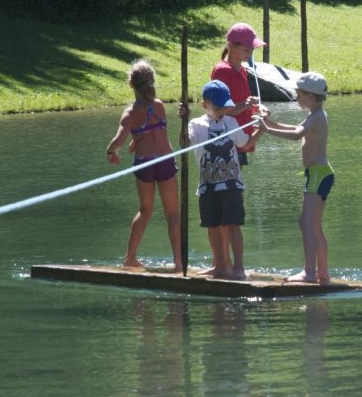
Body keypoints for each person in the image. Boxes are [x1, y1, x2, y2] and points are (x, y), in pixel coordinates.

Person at [106, 59, 183, 272]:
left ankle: (130, 257)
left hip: (144, 164)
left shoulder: (130, 113)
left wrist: (111, 150)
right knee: (173, 215)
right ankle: (178, 264)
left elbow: (119, 140)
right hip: (165, 161)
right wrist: (136, 140)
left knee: (145, 211)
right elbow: (153, 128)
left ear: (131, 84)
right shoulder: (159, 106)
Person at [256, 72, 333, 284]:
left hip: (318, 175)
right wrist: (271, 123)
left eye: (298, 94)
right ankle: (322, 273)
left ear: (310, 96)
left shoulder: (316, 117)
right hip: (320, 174)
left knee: (306, 223)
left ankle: (309, 272)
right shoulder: (315, 114)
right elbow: (296, 128)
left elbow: (297, 134)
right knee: (314, 225)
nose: (296, 98)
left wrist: (267, 130)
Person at [188, 80, 261, 279]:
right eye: (217, 107)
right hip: (207, 185)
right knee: (211, 226)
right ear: (204, 105)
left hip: (231, 184)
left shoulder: (231, 122)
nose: (222, 111)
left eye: (225, 106)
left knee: (233, 224)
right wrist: (182, 121)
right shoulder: (195, 124)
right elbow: (184, 143)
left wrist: (260, 128)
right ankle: (220, 265)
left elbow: (245, 143)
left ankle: (238, 267)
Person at [212, 22, 265, 166]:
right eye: (247, 49)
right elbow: (219, 110)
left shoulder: (241, 70)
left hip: (240, 138)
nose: (250, 53)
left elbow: (241, 103)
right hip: (227, 141)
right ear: (231, 46)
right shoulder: (222, 71)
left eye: (251, 50)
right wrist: (245, 104)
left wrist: (255, 108)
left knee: (236, 185)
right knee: (230, 186)